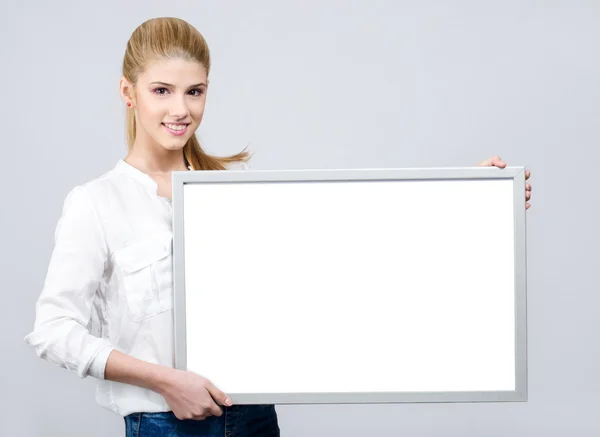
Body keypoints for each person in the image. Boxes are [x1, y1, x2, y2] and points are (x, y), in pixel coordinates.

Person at [24, 16, 532, 437]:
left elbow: (340, 259)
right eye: (162, 90)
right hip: (163, 423)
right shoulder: (96, 203)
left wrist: (476, 201)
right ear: (128, 92)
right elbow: (53, 332)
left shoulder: (233, 186)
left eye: (195, 92)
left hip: (255, 419)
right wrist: (166, 382)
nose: (181, 109)